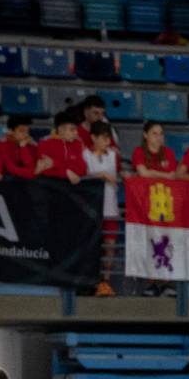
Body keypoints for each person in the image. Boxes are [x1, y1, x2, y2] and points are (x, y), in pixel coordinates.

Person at [82, 122, 122, 296]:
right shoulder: (85, 154)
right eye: (104, 138)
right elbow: (81, 175)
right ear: (93, 138)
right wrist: (102, 175)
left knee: (110, 246)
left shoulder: (114, 155)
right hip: (91, 210)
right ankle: (89, 282)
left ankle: (105, 282)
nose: (107, 141)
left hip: (110, 208)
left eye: (109, 138)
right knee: (91, 247)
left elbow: (119, 175)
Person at [35, 113, 86, 183]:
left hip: (71, 188)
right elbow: (46, 171)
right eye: (72, 130)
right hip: (49, 187)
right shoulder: (44, 144)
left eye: (76, 129)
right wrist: (66, 171)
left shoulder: (77, 143)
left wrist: (54, 164)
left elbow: (82, 169)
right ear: (60, 129)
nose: (76, 133)